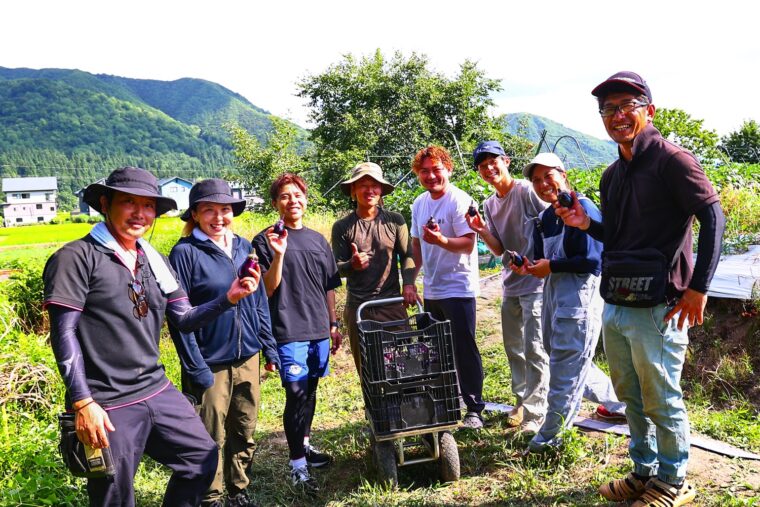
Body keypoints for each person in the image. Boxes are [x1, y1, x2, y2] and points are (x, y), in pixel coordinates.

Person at [43, 167, 260, 506]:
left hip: (155, 387)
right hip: (107, 399)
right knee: (114, 493)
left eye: (148, 206)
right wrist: (83, 402)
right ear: (105, 203)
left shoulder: (151, 258)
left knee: (202, 458)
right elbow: (64, 331)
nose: (140, 213)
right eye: (129, 202)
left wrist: (227, 298)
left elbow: (185, 318)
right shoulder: (76, 258)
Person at [556, 72, 724, 506]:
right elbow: (619, 234)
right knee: (631, 396)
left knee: (661, 397)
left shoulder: (673, 160)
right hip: (617, 300)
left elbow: (713, 217)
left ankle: (673, 479)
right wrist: (585, 224)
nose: (617, 116)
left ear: (648, 110)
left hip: (662, 304)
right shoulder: (613, 175)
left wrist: (698, 287)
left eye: (626, 106)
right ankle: (644, 470)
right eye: (608, 110)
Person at [168, 179, 280, 507]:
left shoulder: (245, 247)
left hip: (247, 356)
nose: (218, 217)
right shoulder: (184, 253)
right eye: (209, 210)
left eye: (225, 210)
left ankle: (237, 488)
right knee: (209, 436)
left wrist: (268, 346)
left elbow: (258, 300)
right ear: (196, 215)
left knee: (244, 428)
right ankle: (211, 497)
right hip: (209, 361)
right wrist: (195, 366)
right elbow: (179, 319)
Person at [516, 153, 626, 452]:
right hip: (554, 293)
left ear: (563, 174)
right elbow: (545, 260)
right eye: (536, 180)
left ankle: (549, 439)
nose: (542, 184)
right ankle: (624, 405)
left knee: (565, 366)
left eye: (547, 176)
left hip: (579, 294)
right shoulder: (545, 218)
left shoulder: (583, 207)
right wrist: (530, 266)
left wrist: (550, 267)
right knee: (562, 358)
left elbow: (592, 261)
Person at [252, 173, 342, 492]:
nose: (293, 201)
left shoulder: (318, 240)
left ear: (306, 199)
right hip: (288, 330)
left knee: (311, 391)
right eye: (285, 196)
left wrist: (333, 323)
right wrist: (278, 253)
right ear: (276, 203)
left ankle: (304, 444)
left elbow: (330, 286)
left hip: (318, 328)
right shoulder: (265, 240)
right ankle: (296, 466)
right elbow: (267, 288)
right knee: (296, 393)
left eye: (298, 195)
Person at [465, 140, 549, 434]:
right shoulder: (489, 204)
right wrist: (482, 230)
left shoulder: (526, 191)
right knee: (514, 348)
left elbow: (551, 221)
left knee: (536, 348)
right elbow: (499, 247)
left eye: (493, 162)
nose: (489, 168)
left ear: (506, 161)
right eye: (483, 165)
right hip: (511, 284)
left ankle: (537, 414)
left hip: (537, 282)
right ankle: (522, 402)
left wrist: (545, 261)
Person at [410, 145, 485, 430]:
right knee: (434, 348)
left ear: (449, 170)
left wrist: (441, 241)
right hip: (432, 289)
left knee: (464, 348)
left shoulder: (459, 200)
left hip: (459, 287)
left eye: (436, 170)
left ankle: (474, 408)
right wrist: (410, 280)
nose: (431, 176)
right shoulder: (419, 203)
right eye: (424, 171)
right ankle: (445, 401)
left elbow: (468, 243)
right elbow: (416, 244)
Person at [331, 162, 417, 372]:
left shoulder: (395, 221)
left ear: (381, 190)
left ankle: (403, 404)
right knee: (369, 370)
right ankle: (373, 406)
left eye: (375, 185)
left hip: (392, 303)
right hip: (360, 307)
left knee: (404, 364)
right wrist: (352, 264)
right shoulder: (342, 227)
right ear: (353, 190)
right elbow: (336, 268)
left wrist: (408, 285)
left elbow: (407, 255)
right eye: (363, 185)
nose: (369, 190)